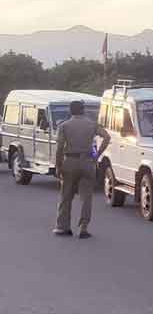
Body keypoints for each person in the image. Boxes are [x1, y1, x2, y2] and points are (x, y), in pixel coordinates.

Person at [54, 100, 111, 238]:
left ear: (71, 111)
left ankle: (63, 227)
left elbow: (60, 148)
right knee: (86, 197)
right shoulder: (91, 124)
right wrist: (96, 155)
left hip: (70, 161)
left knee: (66, 196)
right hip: (87, 161)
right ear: (83, 110)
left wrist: (58, 166)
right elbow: (106, 137)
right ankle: (83, 228)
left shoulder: (64, 126)